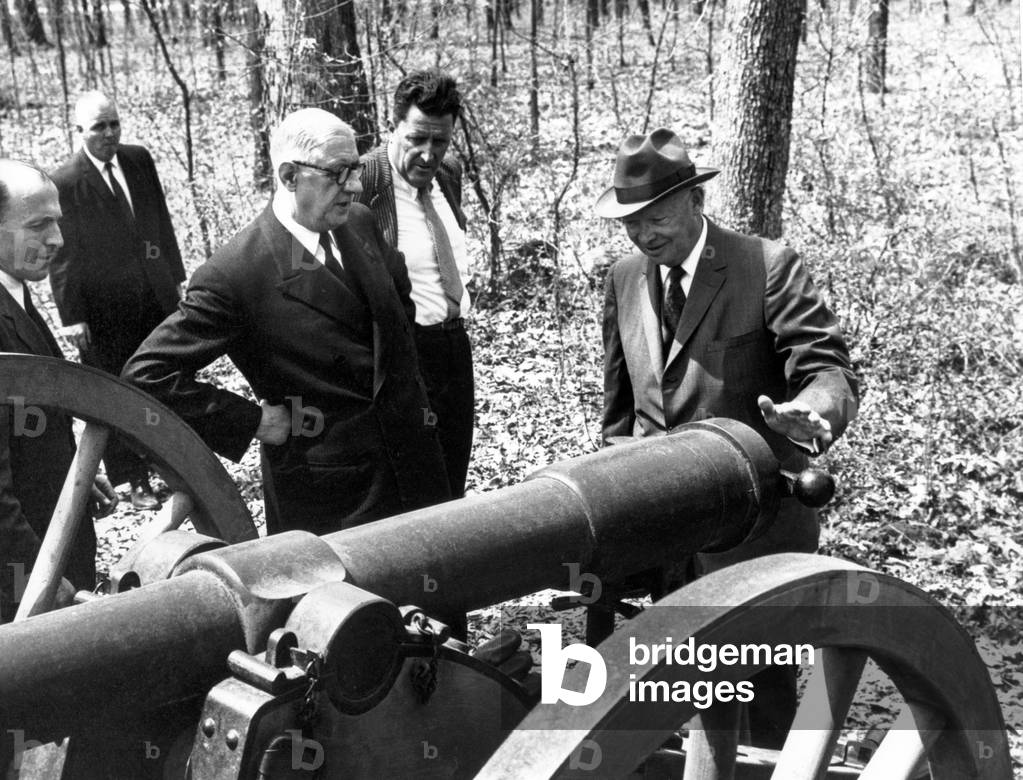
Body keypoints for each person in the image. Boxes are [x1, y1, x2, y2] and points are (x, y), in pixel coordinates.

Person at [597, 128, 859, 747]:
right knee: (659, 696)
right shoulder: (625, 278)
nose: (643, 235)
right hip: (658, 527)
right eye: (629, 223)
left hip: (752, 534)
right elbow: (621, 411)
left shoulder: (763, 265)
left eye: (655, 218)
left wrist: (813, 410)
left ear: (695, 201)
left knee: (756, 706)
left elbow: (828, 367)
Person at [122, 109, 450, 535]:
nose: (354, 185)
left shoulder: (360, 223)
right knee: (359, 604)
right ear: (291, 175)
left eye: (355, 169)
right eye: (338, 172)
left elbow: (400, 326)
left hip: (418, 475)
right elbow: (146, 374)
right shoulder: (236, 273)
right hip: (332, 501)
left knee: (440, 594)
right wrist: (252, 422)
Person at [49, 91, 186, 510]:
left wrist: (175, 279)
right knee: (117, 388)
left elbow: (160, 220)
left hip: (153, 295)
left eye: (114, 124)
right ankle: (134, 477)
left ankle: (173, 464)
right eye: (98, 127)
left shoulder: (139, 159)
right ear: (78, 132)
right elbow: (61, 254)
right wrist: (72, 317)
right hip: (103, 310)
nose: (109, 134)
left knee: (164, 378)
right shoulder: (65, 181)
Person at [0, 159, 116, 622]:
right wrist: (38, 575)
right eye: (38, 224)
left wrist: (77, 471)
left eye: (58, 223)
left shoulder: (16, 296)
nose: (57, 239)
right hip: (20, 586)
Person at [355, 69, 474, 498]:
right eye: (416, 139)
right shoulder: (365, 179)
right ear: (394, 127)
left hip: (453, 349)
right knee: (414, 489)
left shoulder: (448, 174)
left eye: (439, 141)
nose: (428, 155)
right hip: (404, 357)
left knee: (452, 481)